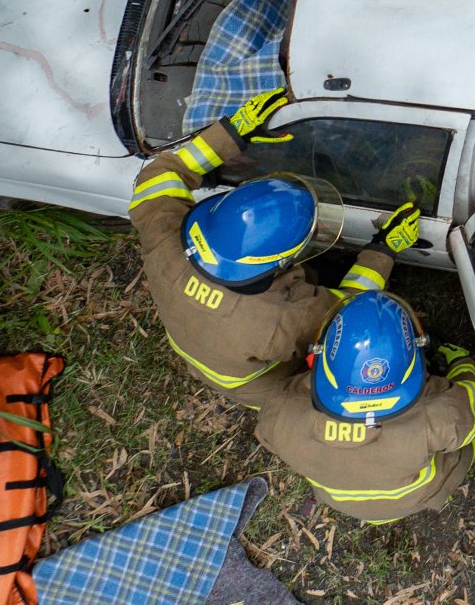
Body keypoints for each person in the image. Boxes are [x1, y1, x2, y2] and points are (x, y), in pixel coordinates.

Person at [127, 86, 422, 404]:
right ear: (279, 264)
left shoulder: (163, 236)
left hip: (192, 336)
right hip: (256, 384)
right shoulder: (284, 319)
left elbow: (161, 173)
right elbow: (350, 312)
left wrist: (232, 133)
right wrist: (383, 250)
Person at [246, 291, 475, 523]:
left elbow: (268, 434)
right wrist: (462, 364)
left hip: (339, 500)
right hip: (412, 498)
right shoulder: (439, 417)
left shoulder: (280, 414)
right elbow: (473, 416)